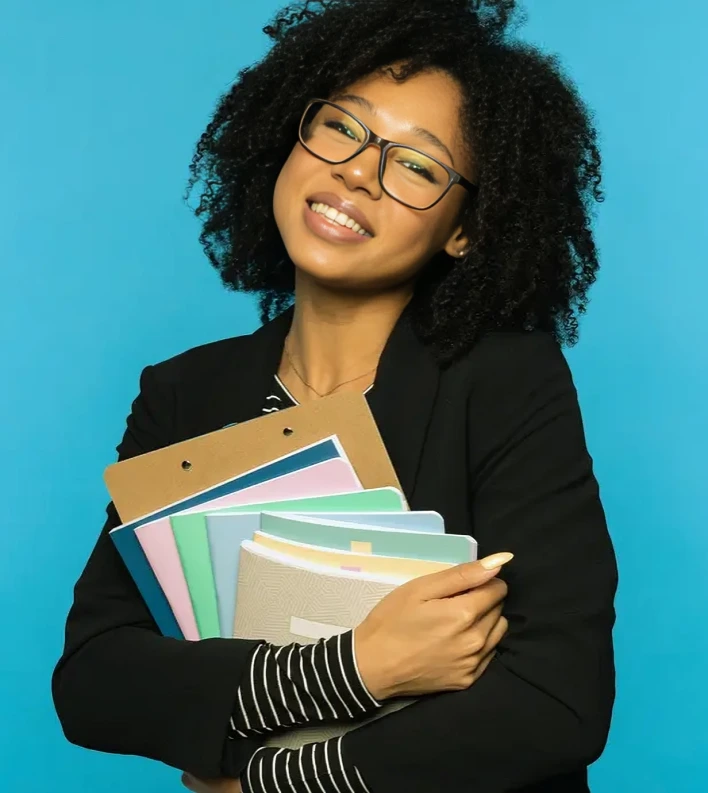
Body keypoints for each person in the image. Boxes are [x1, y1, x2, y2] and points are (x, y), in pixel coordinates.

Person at [51, 1, 619, 791]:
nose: (357, 171)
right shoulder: (184, 393)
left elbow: (557, 702)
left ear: (466, 229)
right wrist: (356, 668)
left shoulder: (505, 382)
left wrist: (278, 779)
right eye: (341, 128)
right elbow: (94, 681)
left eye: (416, 166)